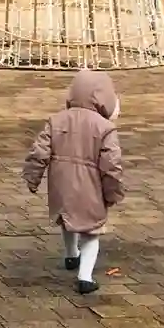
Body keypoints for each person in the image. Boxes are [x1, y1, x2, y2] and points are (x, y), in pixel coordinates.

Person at [22, 69, 125, 294]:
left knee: (67, 219)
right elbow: (111, 165)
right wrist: (113, 192)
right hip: (90, 187)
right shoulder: (105, 128)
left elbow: (39, 152)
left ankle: (71, 255)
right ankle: (85, 277)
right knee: (91, 231)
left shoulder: (56, 120)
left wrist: (33, 177)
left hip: (61, 184)